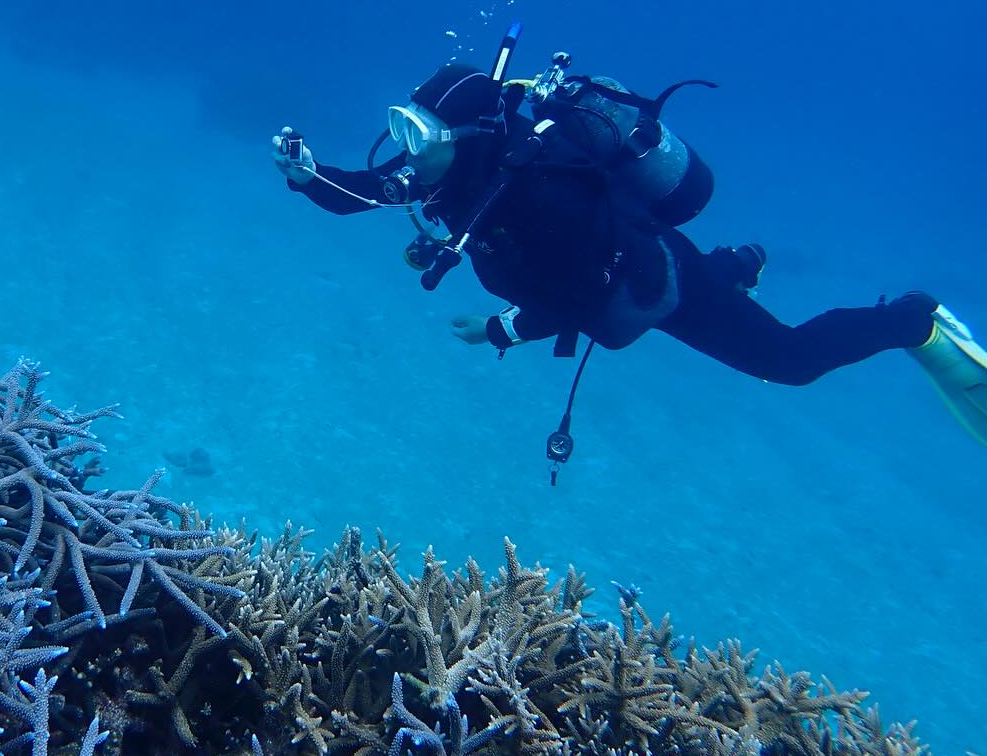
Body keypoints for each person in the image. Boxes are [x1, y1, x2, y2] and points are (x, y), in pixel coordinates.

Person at [270, 42, 987, 465]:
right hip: (620, 261)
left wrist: (496, 331)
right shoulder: (458, 178)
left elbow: (569, 304)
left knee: (787, 363)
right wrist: (308, 177)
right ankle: (740, 263)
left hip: (648, 282)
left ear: (469, 137)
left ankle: (911, 321)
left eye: (421, 136)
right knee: (714, 277)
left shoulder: (533, 196)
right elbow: (366, 191)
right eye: (405, 127)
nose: (407, 152)